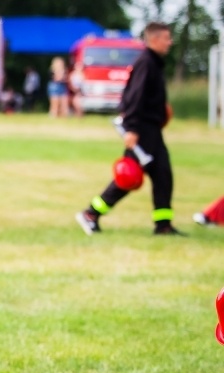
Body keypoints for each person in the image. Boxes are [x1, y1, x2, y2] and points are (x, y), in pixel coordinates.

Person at [75, 22, 182, 236]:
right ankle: (91, 213)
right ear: (154, 39)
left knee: (163, 175)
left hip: (153, 130)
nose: (170, 42)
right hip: (141, 129)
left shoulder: (155, 63)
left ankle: (163, 225)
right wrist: (132, 129)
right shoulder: (146, 63)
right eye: (166, 38)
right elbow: (134, 97)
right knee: (129, 176)